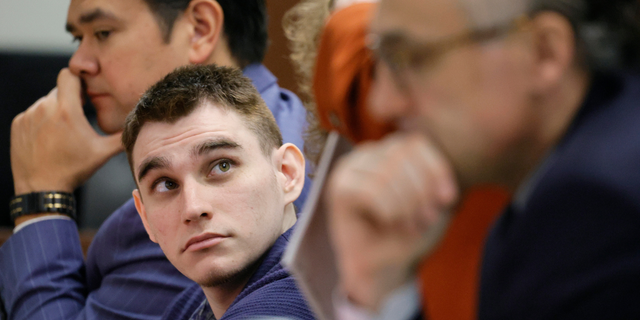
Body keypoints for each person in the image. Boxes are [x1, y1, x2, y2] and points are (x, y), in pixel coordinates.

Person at [326, 0, 640, 318]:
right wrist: (382, 287)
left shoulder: (594, 209)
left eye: (410, 58)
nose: (382, 105)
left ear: (544, 51)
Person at [0, 0, 310, 319]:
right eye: (166, 183)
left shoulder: (235, 239)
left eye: (102, 32)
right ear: (144, 214)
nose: (77, 63)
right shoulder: (293, 119)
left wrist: (40, 196)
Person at [123, 64, 314, 320]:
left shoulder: (295, 301)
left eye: (222, 166)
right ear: (144, 216)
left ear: (287, 173)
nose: (193, 207)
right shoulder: (192, 304)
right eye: (166, 184)